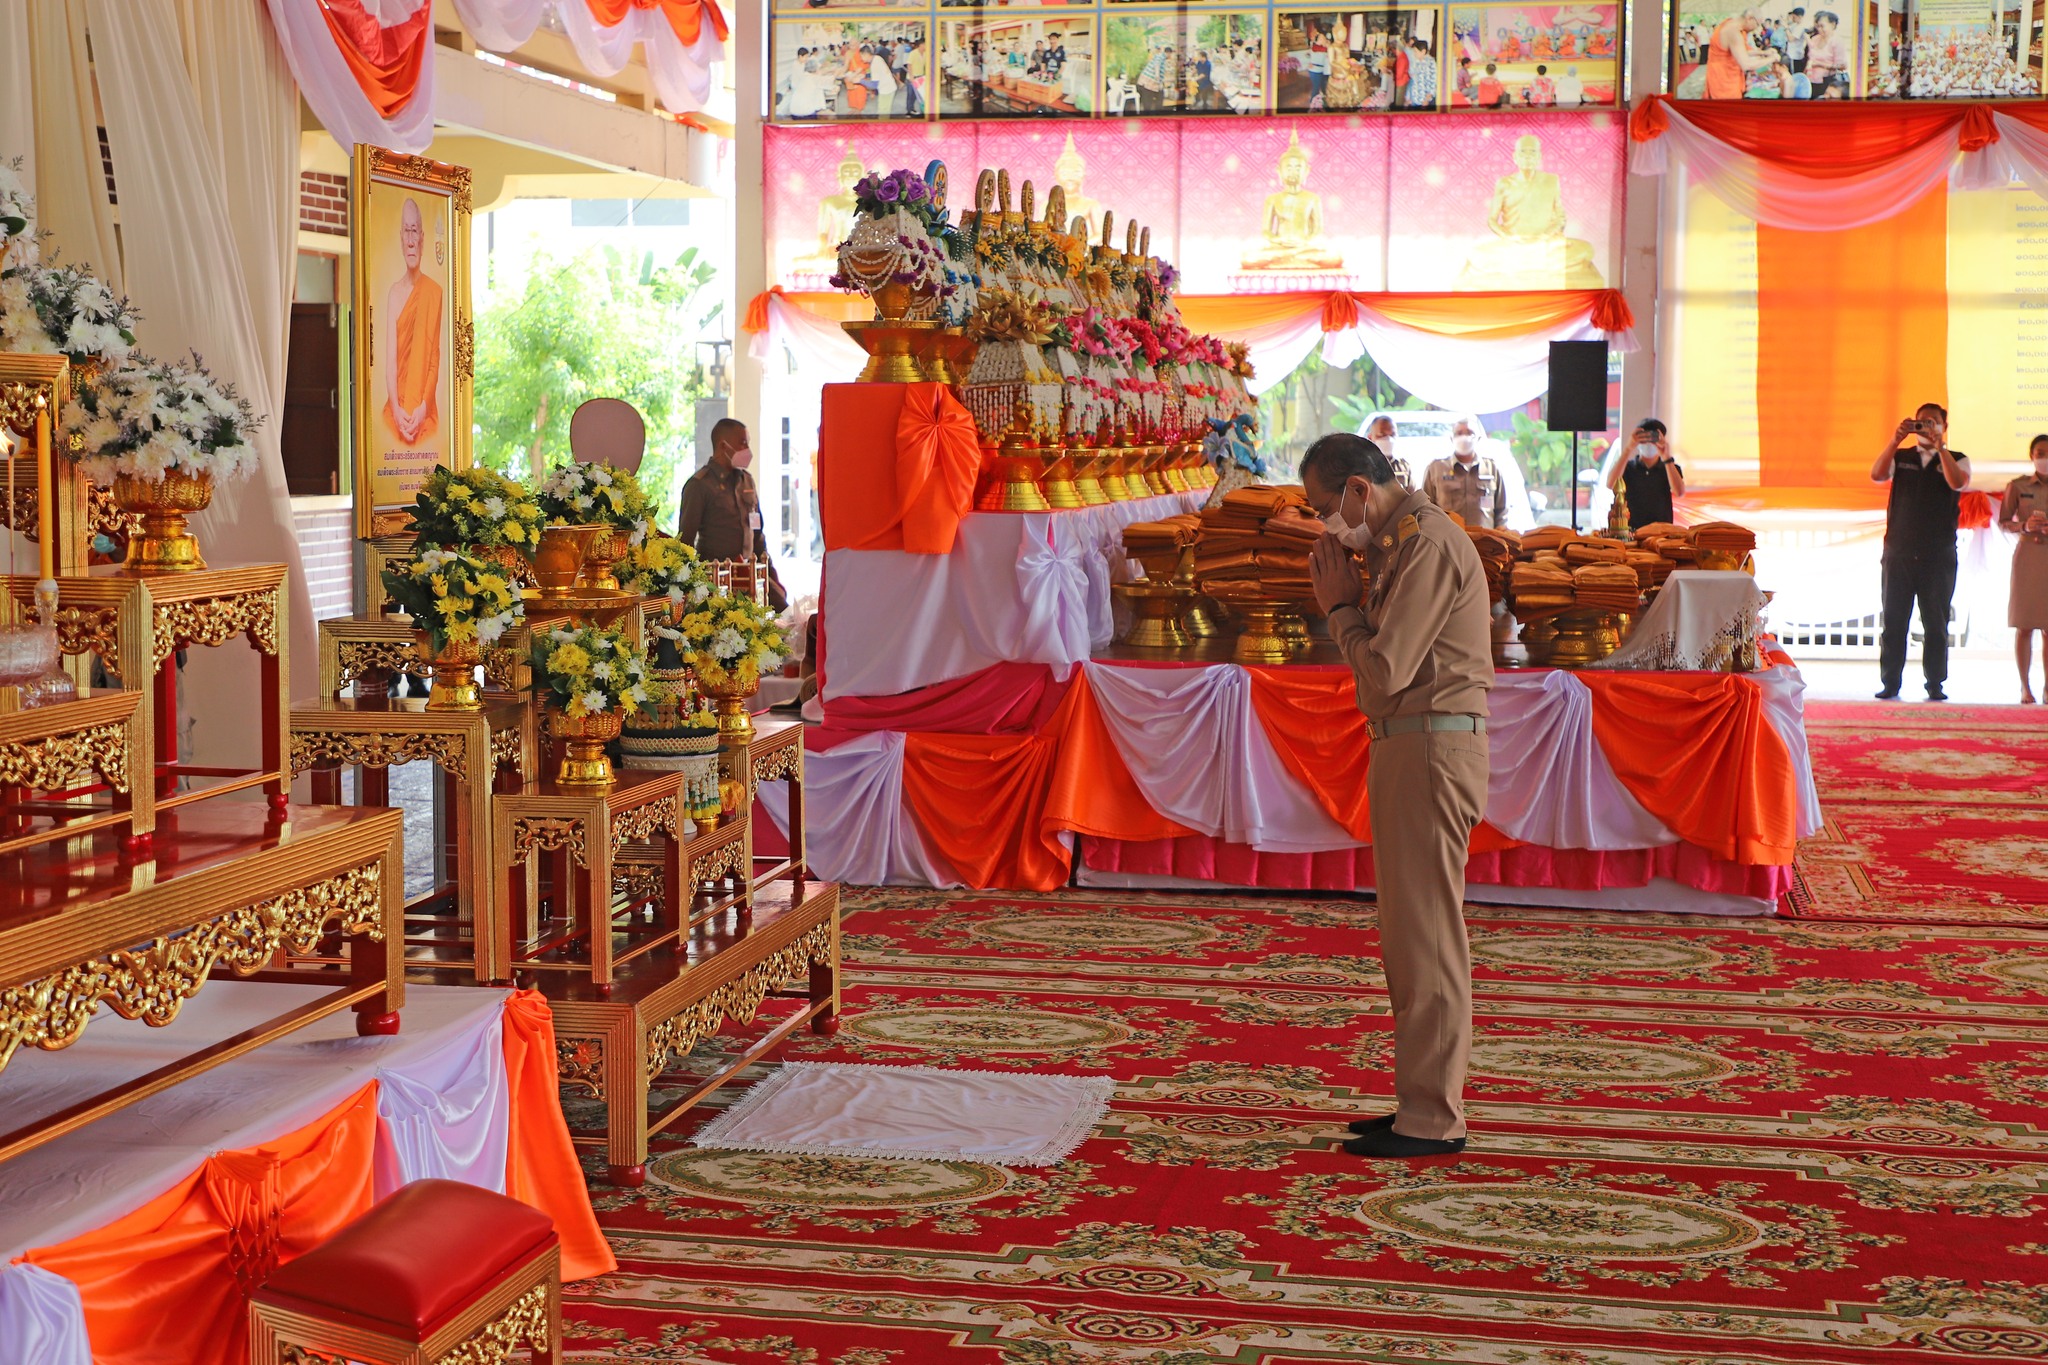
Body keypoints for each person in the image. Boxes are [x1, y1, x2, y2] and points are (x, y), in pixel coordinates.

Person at [1302, 433, 1491, 1160]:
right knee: (1409, 939)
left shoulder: (1426, 544)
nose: (1327, 525)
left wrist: (1341, 610)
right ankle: (1419, 1098)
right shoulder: (1397, 544)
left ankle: (1434, 1117)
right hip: (1409, 742)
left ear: (1359, 488)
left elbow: (1383, 672)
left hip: (1430, 744)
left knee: (1428, 936)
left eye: (1327, 508)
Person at [1872, 402, 1969, 701]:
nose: (1927, 426)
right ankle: (1890, 683)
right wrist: (1894, 440)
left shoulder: (1957, 459)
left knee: (1936, 623)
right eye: (1922, 422)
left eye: (1933, 422)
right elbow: (1877, 475)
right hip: (1899, 552)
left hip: (1938, 555)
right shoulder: (1901, 457)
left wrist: (1940, 448)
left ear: (1944, 426)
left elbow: (1958, 483)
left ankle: (1935, 684)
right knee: (1894, 621)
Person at [678, 418, 789, 611]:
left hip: (751, 576)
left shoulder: (746, 481)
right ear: (723, 445)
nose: (748, 450)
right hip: (716, 581)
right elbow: (684, 542)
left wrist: (772, 576)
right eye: (743, 443)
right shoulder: (699, 485)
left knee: (784, 612)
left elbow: (757, 534)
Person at [383, 198, 444, 448]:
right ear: (400, 237)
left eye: (414, 231)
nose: (410, 240)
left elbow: (434, 359)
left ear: (422, 237)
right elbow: (390, 362)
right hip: (396, 410)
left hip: (424, 412)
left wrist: (423, 408)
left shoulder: (434, 292)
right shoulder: (394, 293)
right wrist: (397, 412)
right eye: (406, 231)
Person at [2000, 434, 2048, 703]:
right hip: (2028, 554)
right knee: (2025, 625)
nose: (2044, 458)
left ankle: (2047, 688)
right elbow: (2004, 522)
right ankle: (2025, 687)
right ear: (2032, 455)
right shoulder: (2017, 486)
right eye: (2040, 453)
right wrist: (2025, 526)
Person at [1422, 420, 1508, 529]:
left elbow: (1502, 510)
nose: (1464, 437)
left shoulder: (1492, 469)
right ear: (1451, 438)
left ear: (1478, 438)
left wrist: (1500, 535)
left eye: (1469, 433)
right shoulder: (1436, 469)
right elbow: (1426, 508)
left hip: (1485, 541)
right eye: (1459, 433)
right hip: (1449, 541)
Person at [1606, 419, 1684, 530]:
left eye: (1653, 438)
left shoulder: (1670, 468)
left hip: (1661, 532)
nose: (1649, 443)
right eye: (1644, 438)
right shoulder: (1627, 468)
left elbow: (1679, 492)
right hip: (1630, 532)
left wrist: (1666, 457)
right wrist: (1628, 449)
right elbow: (1610, 484)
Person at [1706, 8, 1777, 98]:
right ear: (1749, 18)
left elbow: (1743, 51)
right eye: (1757, 24)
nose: (1756, 28)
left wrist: (1764, 53)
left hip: (1727, 74)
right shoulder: (1733, 31)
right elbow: (1746, 64)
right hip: (1724, 79)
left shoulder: (1734, 26)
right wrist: (1772, 58)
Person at [1364, 414, 1414, 490]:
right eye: (1382, 435)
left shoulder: (1403, 467)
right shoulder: (1360, 466)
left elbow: (1414, 498)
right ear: (1370, 438)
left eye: (1392, 435)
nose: (1388, 439)